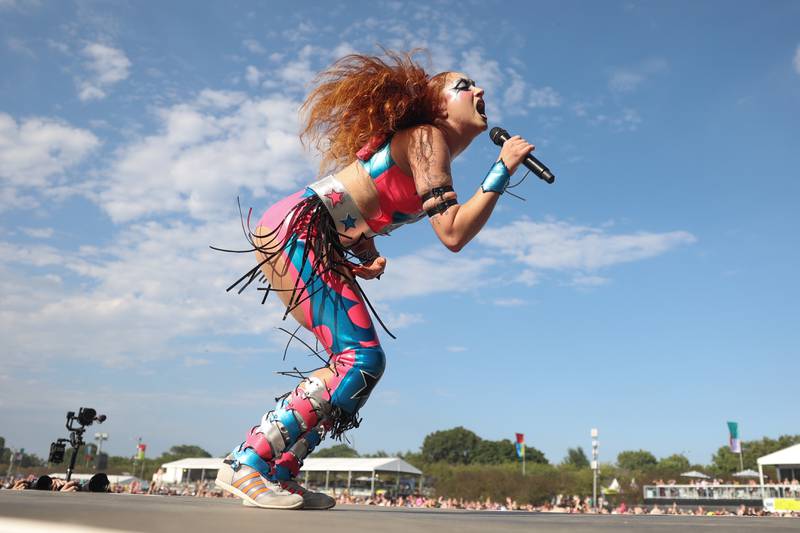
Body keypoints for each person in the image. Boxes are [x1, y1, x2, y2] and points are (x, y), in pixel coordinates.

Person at [215, 50, 535, 510]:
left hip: (302, 230)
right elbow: (452, 233)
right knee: (359, 357)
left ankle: (281, 469)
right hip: (296, 231)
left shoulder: (422, 145)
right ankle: (250, 463)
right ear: (437, 105)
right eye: (464, 86)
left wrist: (364, 251)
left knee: (361, 366)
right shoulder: (427, 137)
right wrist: (502, 168)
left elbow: (348, 194)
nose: (479, 91)